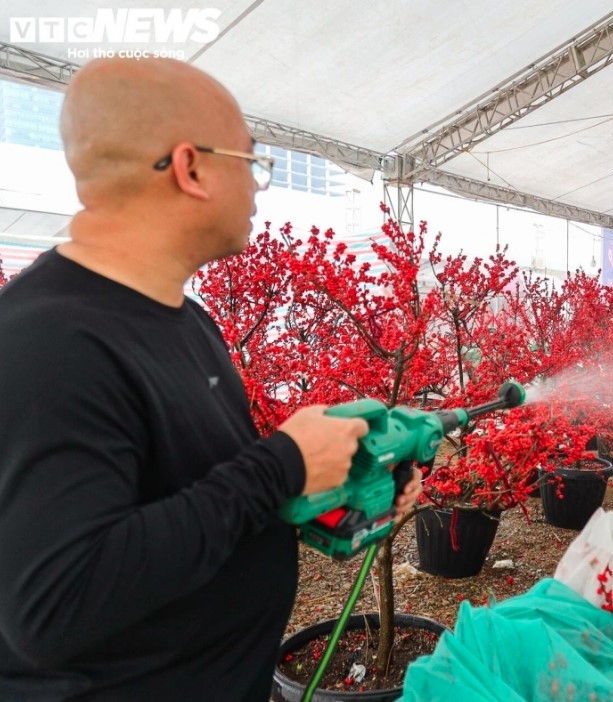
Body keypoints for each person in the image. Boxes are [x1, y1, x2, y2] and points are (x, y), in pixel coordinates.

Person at [0, 58, 422, 701]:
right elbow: (54, 607)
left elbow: (197, 502)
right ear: (190, 167)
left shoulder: (186, 319)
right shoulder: (49, 344)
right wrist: (281, 464)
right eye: (250, 162)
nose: (259, 187)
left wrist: (334, 502)